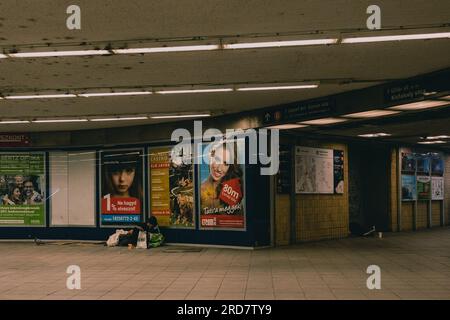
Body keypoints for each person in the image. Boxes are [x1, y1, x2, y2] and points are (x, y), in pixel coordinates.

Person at [200, 142, 243, 210]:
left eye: (226, 163)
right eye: (217, 159)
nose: (219, 169)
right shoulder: (199, 191)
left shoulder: (234, 191)